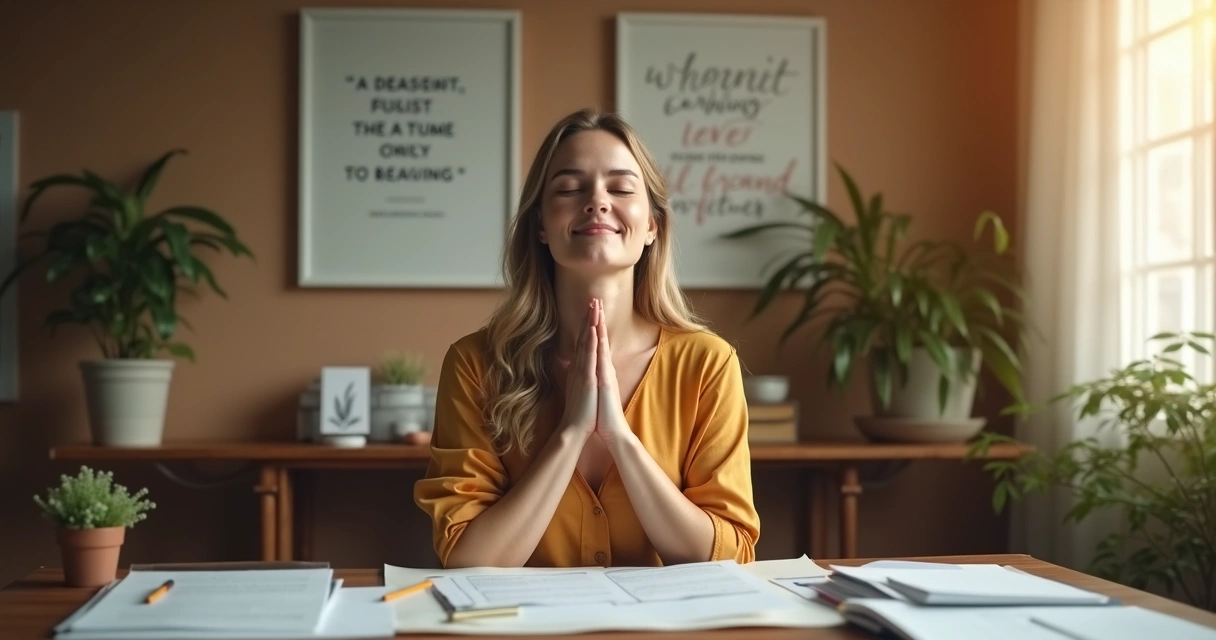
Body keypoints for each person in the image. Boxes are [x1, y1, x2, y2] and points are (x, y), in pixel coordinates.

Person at [413, 108, 759, 568]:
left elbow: (730, 558)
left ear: (652, 225)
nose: (597, 201)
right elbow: (466, 559)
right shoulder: (475, 364)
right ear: (541, 224)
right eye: (569, 189)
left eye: (620, 188)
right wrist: (570, 433)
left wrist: (621, 439)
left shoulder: (708, 364)